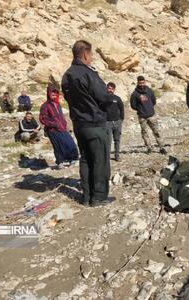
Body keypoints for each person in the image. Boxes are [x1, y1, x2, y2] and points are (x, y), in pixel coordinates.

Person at [61, 40, 115, 207]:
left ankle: (86, 196)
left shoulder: (67, 75)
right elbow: (103, 97)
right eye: (91, 55)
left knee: (85, 159)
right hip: (95, 124)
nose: (91, 58)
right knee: (100, 160)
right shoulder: (88, 74)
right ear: (85, 54)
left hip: (79, 124)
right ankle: (98, 197)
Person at [39, 83, 79, 169]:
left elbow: (61, 116)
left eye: (55, 93)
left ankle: (73, 159)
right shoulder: (45, 106)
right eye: (52, 93)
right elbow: (42, 119)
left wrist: (64, 123)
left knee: (70, 143)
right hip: (52, 130)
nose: (54, 94)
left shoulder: (58, 104)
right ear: (48, 94)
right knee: (57, 146)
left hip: (62, 128)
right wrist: (54, 124)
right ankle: (60, 162)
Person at [130, 75, 167, 155]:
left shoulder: (149, 91)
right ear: (138, 83)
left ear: (145, 82)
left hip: (151, 115)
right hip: (142, 117)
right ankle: (149, 148)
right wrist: (140, 109)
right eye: (140, 83)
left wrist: (149, 108)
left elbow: (154, 101)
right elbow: (133, 105)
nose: (142, 84)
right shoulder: (135, 94)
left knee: (156, 131)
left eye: (143, 82)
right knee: (144, 133)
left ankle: (161, 147)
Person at [105, 82, 124, 162]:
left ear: (114, 89)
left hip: (117, 122)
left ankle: (117, 156)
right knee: (108, 141)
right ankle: (107, 158)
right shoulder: (103, 98)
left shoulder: (117, 98)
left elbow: (122, 109)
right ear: (106, 88)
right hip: (107, 122)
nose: (110, 90)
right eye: (109, 88)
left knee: (117, 140)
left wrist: (121, 120)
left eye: (112, 89)